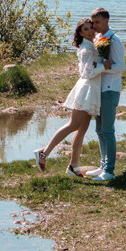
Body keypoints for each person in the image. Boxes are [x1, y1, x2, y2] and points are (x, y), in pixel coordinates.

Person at [34, 18, 105, 177]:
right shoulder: (86, 48)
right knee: (73, 125)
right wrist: (103, 67)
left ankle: (73, 166)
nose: (90, 31)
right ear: (80, 33)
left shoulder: (91, 45)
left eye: (91, 28)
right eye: (85, 30)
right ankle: (44, 152)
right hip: (86, 90)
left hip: (91, 90)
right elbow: (85, 74)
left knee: (82, 129)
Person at [85, 7, 123, 181]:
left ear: (107, 21)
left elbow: (120, 67)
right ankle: (103, 166)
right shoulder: (99, 38)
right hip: (99, 90)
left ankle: (109, 171)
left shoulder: (114, 41)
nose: (95, 26)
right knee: (99, 130)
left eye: (97, 22)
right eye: (93, 23)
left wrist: (103, 69)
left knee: (107, 131)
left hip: (110, 89)